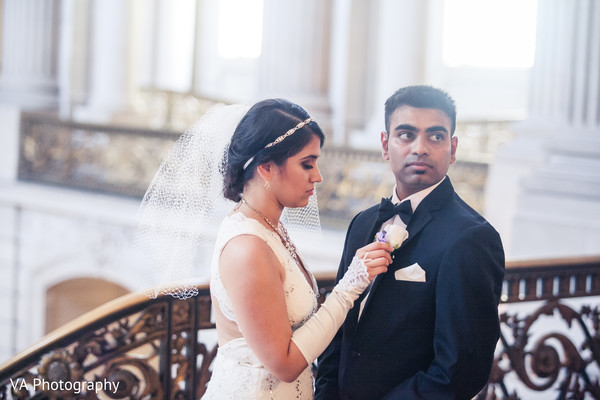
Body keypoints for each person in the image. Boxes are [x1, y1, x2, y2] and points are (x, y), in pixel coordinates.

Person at [189, 99, 393, 399]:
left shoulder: (270, 228)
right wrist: (350, 286)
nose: (318, 176)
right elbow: (283, 364)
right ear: (267, 168)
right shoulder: (247, 248)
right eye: (307, 164)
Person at [314, 85, 505, 400]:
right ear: (385, 145)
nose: (421, 148)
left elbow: (460, 371)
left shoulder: (471, 239)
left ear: (453, 148)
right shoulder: (361, 223)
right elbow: (339, 334)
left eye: (436, 136)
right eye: (406, 135)